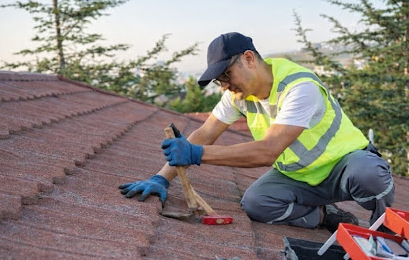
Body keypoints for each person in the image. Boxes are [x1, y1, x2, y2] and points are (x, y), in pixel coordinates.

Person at [119, 32, 394, 232]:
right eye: (219, 80)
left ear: (249, 59)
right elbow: (205, 133)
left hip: (344, 168)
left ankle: (387, 230)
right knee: (256, 203)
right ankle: (327, 216)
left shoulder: (299, 87)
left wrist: (196, 154)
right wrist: (161, 178)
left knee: (369, 174)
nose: (224, 86)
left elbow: (268, 150)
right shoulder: (239, 95)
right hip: (300, 177)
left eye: (226, 75)